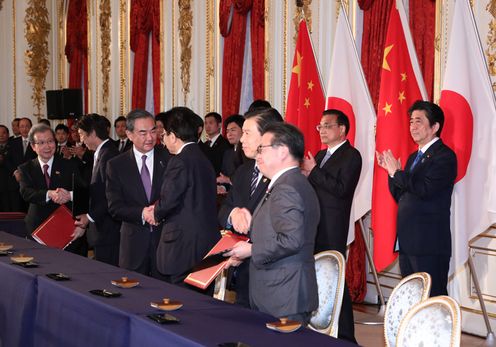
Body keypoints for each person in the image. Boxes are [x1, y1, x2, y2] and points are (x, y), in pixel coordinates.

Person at [225, 123, 320, 325]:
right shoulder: (288, 182)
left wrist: (252, 250)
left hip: (284, 294)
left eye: (262, 148)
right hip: (280, 292)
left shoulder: (287, 187)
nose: (258, 155)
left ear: (283, 151)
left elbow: (291, 239)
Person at [376, 100, 457, 296]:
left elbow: (425, 189)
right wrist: (391, 173)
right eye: (411, 121)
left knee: (431, 298)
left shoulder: (444, 156)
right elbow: (402, 196)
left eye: (418, 121)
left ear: (435, 126)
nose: (412, 126)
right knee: (412, 298)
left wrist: (398, 173)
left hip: (429, 242)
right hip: (408, 241)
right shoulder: (413, 157)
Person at [301, 109, 361, 343]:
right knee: (317, 276)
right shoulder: (319, 154)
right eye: (320, 126)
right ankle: (319, 326)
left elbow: (341, 189)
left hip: (333, 226)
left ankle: (346, 335)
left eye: (327, 126)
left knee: (335, 278)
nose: (322, 131)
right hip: (314, 224)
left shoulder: (351, 156)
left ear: (342, 129)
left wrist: (314, 171)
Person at [143, 107, 220, 287]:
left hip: (183, 246)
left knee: (181, 300)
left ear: (173, 136)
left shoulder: (179, 160)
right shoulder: (202, 157)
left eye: (164, 134)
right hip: (205, 243)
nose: (162, 139)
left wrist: (154, 213)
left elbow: (169, 199)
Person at [218, 107, 283, 307]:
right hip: (243, 274)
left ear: (267, 136)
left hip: (273, 277)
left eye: (247, 133)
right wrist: (233, 213)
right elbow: (224, 210)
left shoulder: (282, 177)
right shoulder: (244, 171)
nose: (242, 140)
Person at [106, 109, 169, 278]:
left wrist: (158, 211)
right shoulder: (116, 165)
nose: (150, 137)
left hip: (165, 242)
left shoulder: (169, 158)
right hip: (133, 243)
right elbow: (114, 207)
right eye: (143, 133)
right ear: (129, 134)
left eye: (153, 131)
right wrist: (142, 213)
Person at [18, 124, 88, 254]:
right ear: (33, 146)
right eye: (42, 142)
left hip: (67, 228)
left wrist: (82, 224)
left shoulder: (69, 165)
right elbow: (26, 193)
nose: (47, 146)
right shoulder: (25, 168)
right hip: (37, 228)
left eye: (50, 141)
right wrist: (49, 194)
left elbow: (82, 193)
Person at [74, 114, 121, 266]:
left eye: (82, 135)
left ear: (93, 133)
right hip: (102, 229)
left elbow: (110, 195)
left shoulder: (109, 156)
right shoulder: (101, 153)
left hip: (108, 229)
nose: (81, 140)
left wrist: (90, 217)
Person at [6, 117, 37, 211]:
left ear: (31, 128)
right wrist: (15, 172)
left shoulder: (36, 142)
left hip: (32, 182)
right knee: (16, 210)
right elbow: (8, 160)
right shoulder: (12, 142)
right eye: (22, 126)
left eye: (27, 126)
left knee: (30, 211)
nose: (24, 129)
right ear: (18, 128)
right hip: (15, 183)